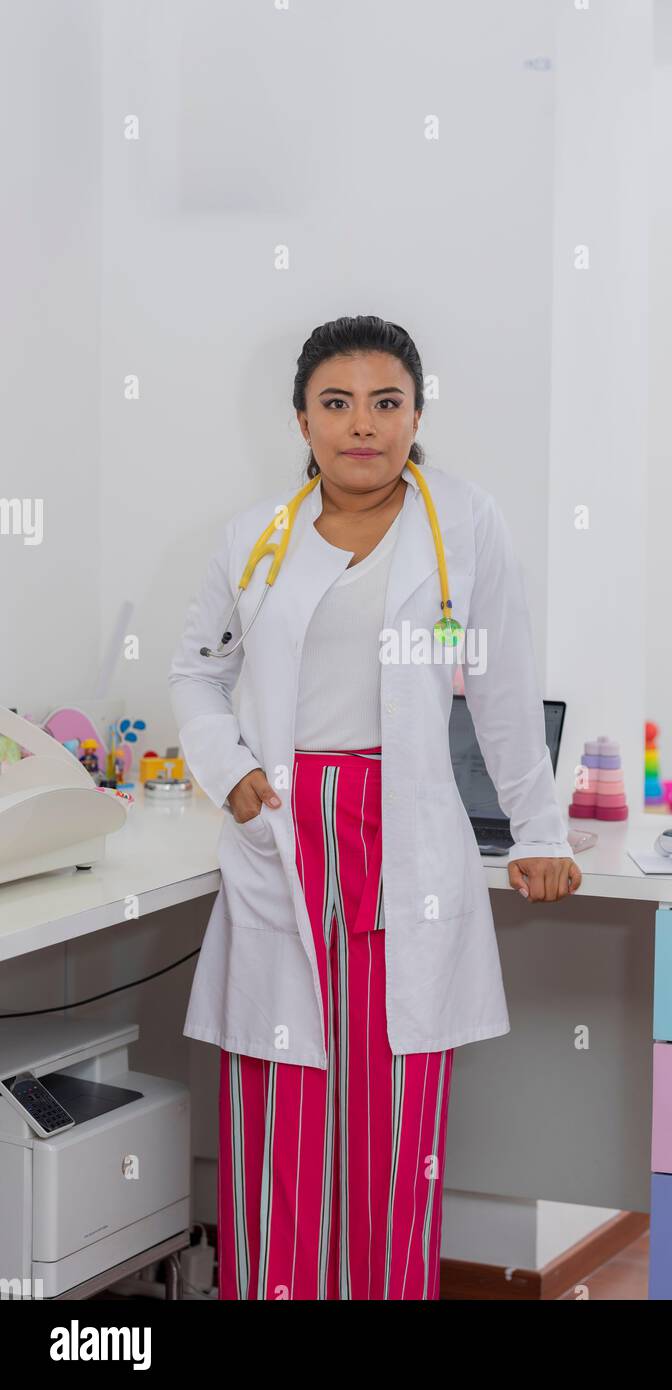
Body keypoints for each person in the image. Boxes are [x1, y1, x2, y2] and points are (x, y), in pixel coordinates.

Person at [168, 314, 581, 1300]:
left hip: (399, 830)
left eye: (386, 402)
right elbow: (195, 672)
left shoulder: (463, 521)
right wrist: (228, 770)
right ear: (301, 418)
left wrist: (538, 829)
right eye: (337, 403)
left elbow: (501, 688)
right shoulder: (253, 538)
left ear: (415, 413)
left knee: (397, 1104)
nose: (364, 425)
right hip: (283, 822)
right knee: (279, 1095)